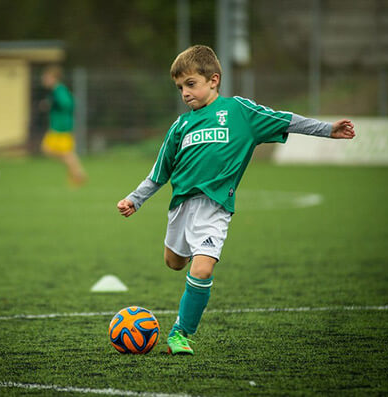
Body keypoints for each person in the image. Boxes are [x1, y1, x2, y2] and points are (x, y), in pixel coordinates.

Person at [117, 45, 355, 355]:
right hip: (181, 207)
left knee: (201, 270)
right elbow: (159, 172)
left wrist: (327, 129)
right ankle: (195, 260)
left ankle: (180, 333)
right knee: (174, 262)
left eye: (191, 84)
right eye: (180, 88)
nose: (185, 93)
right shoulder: (180, 126)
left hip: (215, 207)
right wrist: (135, 200)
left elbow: (285, 120)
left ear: (213, 80)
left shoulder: (239, 112)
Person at [40, 65, 86, 186]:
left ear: (53, 78)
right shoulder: (56, 91)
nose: (44, 79)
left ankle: (78, 174)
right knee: (53, 151)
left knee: (61, 152)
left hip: (61, 127)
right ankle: (77, 173)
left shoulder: (59, 90)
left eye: (46, 77)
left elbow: (67, 103)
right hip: (58, 126)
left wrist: (52, 104)